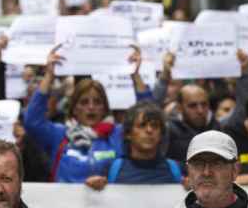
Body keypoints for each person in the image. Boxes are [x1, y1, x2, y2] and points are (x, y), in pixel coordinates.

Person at [24, 46, 152, 182]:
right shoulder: (59, 135)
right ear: (74, 108)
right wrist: (49, 75)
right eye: (84, 102)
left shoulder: (119, 135)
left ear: (105, 108)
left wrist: (135, 75)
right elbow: (32, 121)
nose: (91, 107)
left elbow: (150, 115)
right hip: (65, 203)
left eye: (97, 102)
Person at [88, 101, 183, 188]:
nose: (149, 130)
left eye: (154, 126)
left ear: (161, 134)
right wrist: (93, 186)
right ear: (128, 134)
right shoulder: (110, 169)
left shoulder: (177, 170)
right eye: (142, 125)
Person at [166, 84, 220, 162]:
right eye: (193, 106)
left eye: (204, 104)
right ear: (179, 108)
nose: (200, 111)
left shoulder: (216, 127)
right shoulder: (169, 130)